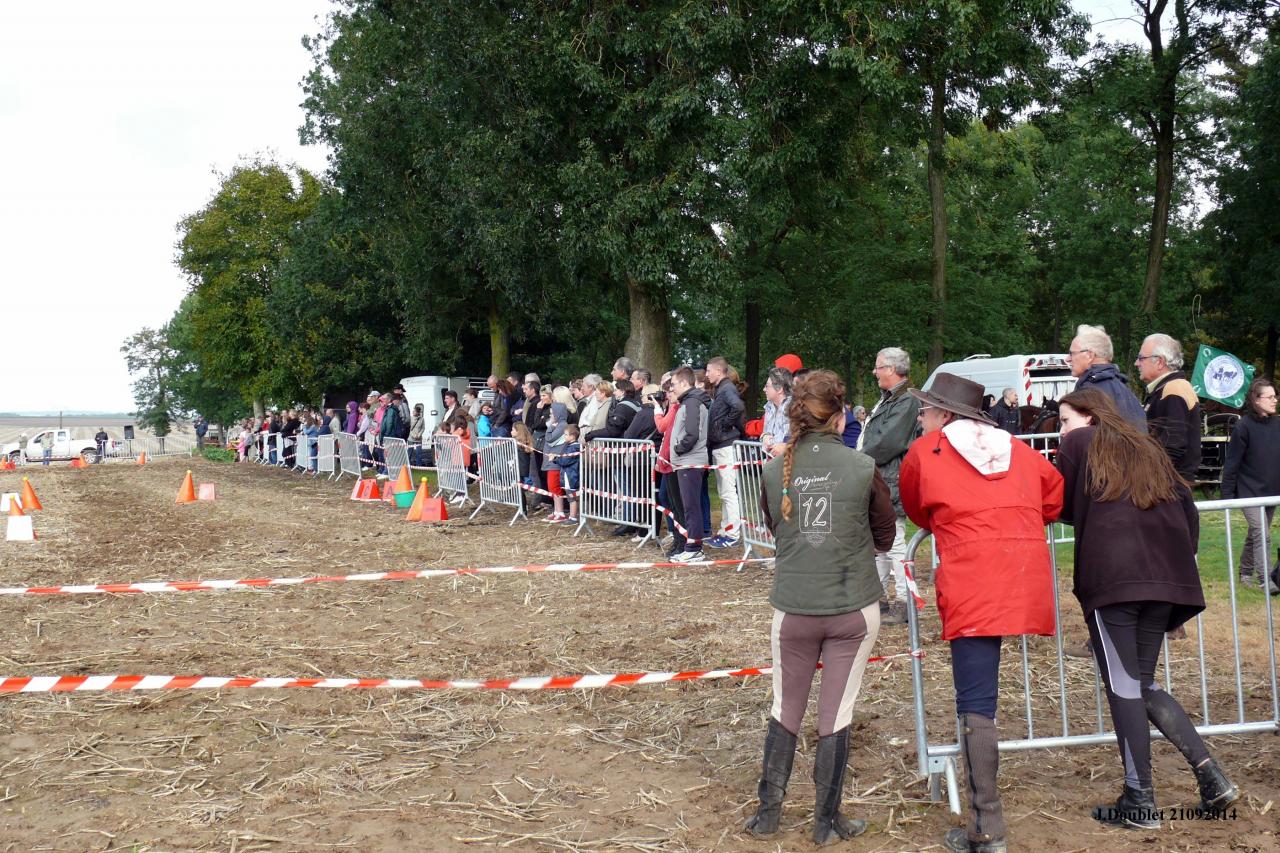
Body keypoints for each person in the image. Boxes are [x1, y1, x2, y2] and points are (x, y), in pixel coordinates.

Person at [1055, 388, 1239, 828]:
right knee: (1140, 681)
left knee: (1124, 686)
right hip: (1166, 577)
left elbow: (1058, 506)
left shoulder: (1080, 443)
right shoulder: (1147, 448)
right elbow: (1188, 513)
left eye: (1063, 420)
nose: (1061, 431)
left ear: (1087, 415)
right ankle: (1210, 774)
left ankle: (1140, 799)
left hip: (1116, 578)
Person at [898, 373, 1063, 853]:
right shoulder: (1021, 449)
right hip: (1023, 571)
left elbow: (915, 506)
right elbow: (1053, 497)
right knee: (980, 699)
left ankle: (988, 826)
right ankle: (985, 820)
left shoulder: (926, 453)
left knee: (975, 700)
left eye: (927, 411)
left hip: (971, 576)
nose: (922, 418)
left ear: (945, 415)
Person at [746, 370, 895, 845]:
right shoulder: (862, 466)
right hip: (850, 607)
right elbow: (886, 536)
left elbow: (775, 529)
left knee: (785, 707)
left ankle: (768, 813)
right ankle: (826, 822)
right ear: (841, 414)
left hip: (793, 607)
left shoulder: (773, 469)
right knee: (836, 713)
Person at [858, 346, 921, 625]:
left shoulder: (906, 402)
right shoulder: (888, 400)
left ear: (893, 369)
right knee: (880, 544)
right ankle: (879, 599)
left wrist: (856, 461)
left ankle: (905, 603)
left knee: (895, 544)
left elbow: (888, 443)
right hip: (880, 479)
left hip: (890, 481)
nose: (875, 372)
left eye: (879, 367)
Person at [1220, 377, 1280, 593]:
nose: (1275, 400)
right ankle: (1266, 580)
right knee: (1262, 534)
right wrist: (1226, 496)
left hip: (1271, 491)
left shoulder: (1278, 424)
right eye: (1270, 397)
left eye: (1276, 396)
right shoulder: (1243, 426)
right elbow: (1232, 463)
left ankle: (1245, 573)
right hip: (1249, 492)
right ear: (1256, 399)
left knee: (1255, 534)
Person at [1136, 333, 1201, 481]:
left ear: (1159, 362)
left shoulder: (1174, 389)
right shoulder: (1167, 388)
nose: (1137, 363)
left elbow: (1173, 447)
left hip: (1168, 487)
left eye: (1141, 358)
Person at [668, 367, 711, 562]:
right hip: (686, 462)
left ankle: (694, 548)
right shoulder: (689, 402)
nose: (671, 388)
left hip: (690, 462)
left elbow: (692, 434)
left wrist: (677, 449)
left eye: (674, 384)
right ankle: (693, 546)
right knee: (689, 506)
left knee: (691, 507)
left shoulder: (692, 403)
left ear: (685, 383)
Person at [704, 356, 746, 548]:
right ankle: (725, 529)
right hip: (721, 445)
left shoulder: (727, 388)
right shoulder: (722, 388)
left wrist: (724, 425)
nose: (706, 374)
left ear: (718, 371)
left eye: (708, 371)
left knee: (729, 493)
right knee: (724, 492)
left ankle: (732, 534)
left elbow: (738, 407)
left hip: (726, 445)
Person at [1068, 324, 1145, 426]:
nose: (1068, 359)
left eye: (1071, 353)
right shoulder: (1123, 388)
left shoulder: (1090, 392)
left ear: (1089, 355)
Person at [759, 367, 792, 457]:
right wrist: (764, 436)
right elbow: (766, 434)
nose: (764, 390)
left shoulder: (793, 408)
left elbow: (790, 439)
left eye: (767, 386)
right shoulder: (769, 406)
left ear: (780, 389)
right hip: (772, 459)